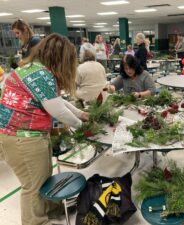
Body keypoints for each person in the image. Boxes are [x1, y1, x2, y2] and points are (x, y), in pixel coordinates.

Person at [0, 33, 89, 225]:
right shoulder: (41, 75)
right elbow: (58, 111)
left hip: (23, 136)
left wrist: (80, 114)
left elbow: (56, 101)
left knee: (42, 177)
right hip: (22, 139)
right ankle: (36, 221)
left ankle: (51, 207)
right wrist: (82, 126)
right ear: (60, 57)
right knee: (32, 185)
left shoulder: (33, 69)